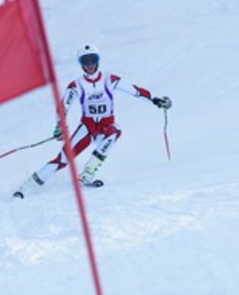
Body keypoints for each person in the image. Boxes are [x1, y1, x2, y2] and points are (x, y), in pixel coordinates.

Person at [13, 44, 172, 199]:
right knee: (63, 159)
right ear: (80, 64)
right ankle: (26, 187)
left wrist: (154, 100)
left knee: (115, 131)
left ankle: (87, 174)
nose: (90, 65)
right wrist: (60, 125)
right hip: (87, 128)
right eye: (85, 61)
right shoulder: (77, 85)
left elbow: (135, 91)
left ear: (98, 60)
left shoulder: (110, 79)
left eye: (93, 60)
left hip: (105, 126)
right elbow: (63, 107)